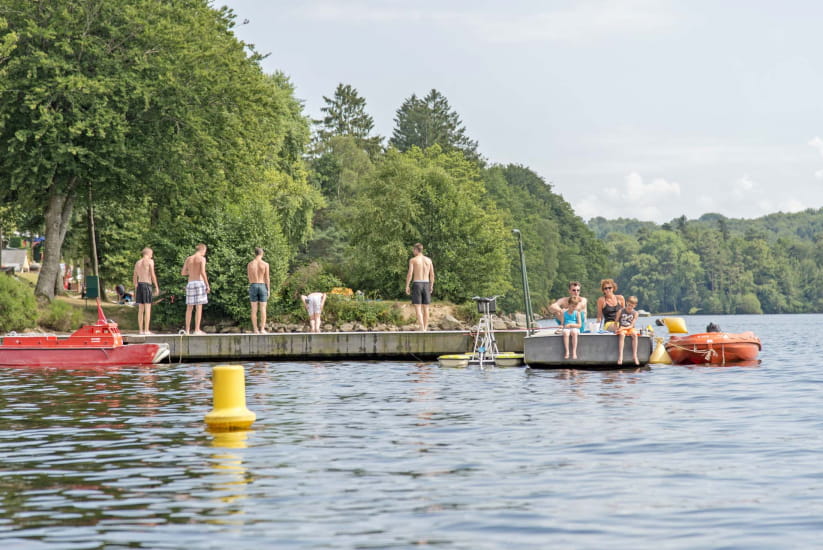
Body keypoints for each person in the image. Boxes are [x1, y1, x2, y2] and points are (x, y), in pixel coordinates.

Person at [404, 242, 435, 331]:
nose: (413, 251)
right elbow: (432, 275)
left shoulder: (413, 260)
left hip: (417, 283)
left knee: (418, 307)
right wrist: (431, 285)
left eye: (413, 250)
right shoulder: (429, 260)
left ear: (416, 250)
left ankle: (422, 328)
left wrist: (407, 286)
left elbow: (410, 274)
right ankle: (425, 328)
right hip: (426, 283)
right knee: (426, 307)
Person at [181, 243, 209, 335]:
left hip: (190, 283)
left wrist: (191, 272)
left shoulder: (189, 259)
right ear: (202, 250)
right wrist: (207, 284)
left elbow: (183, 273)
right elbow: (202, 272)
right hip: (199, 282)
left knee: (189, 307)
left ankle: (187, 330)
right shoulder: (202, 259)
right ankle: (197, 330)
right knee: (199, 307)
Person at [132, 247, 159, 334]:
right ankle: (146, 330)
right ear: (148, 253)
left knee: (140, 310)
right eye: (151, 254)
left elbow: (134, 276)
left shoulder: (137, 262)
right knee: (147, 309)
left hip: (139, 285)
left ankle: (140, 330)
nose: (152, 255)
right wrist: (156, 286)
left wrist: (136, 286)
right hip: (147, 285)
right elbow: (152, 275)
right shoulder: (150, 261)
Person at [247, 247, 270, 334]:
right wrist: (268, 289)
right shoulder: (265, 264)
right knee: (263, 308)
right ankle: (262, 329)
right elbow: (267, 278)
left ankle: (255, 329)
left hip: (253, 285)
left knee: (254, 309)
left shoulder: (250, 264)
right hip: (262, 285)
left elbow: (249, 277)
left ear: (255, 253)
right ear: (262, 253)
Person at [616, 296, 640, 365]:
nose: (630, 307)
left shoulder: (635, 313)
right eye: (629, 305)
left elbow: (632, 325)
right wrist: (617, 328)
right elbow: (616, 321)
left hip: (630, 328)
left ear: (635, 306)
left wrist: (624, 328)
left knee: (635, 335)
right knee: (622, 335)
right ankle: (620, 356)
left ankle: (635, 355)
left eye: (632, 306)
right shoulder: (621, 311)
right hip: (622, 327)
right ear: (626, 303)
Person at [559, 295, 582, 359]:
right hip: (566, 328)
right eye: (572, 306)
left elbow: (579, 325)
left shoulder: (577, 313)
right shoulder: (564, 313)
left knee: (574, 332)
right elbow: (562, 324)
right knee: (566, 333)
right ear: (568, 305)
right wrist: (561, 326)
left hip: (574, 328)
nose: (574, 308)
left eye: (575, 306)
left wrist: (571, 325)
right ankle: (567, 352)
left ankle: (574, 352)